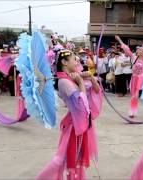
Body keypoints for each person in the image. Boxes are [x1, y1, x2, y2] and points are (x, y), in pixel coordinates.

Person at [36, 49, 102, 180]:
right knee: (67, 160)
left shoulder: (72, 77)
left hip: (80, 123)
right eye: (74, 59)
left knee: (75, 160)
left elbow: (96, 90)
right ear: (64, 62)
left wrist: (91, 79)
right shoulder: (64, 82)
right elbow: (81, 106)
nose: (77, 61)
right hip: (74, 126)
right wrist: (81, 83)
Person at [115, 35, 143, 118]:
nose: (138, 50)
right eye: (138, 49)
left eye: (140, 50)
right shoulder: (133, 57)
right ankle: (133, 111)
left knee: (135, 96)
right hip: (134, 79)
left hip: (140, 80)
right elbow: (126, 49)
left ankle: (133, 111)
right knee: (133, 96)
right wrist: (119, 40)